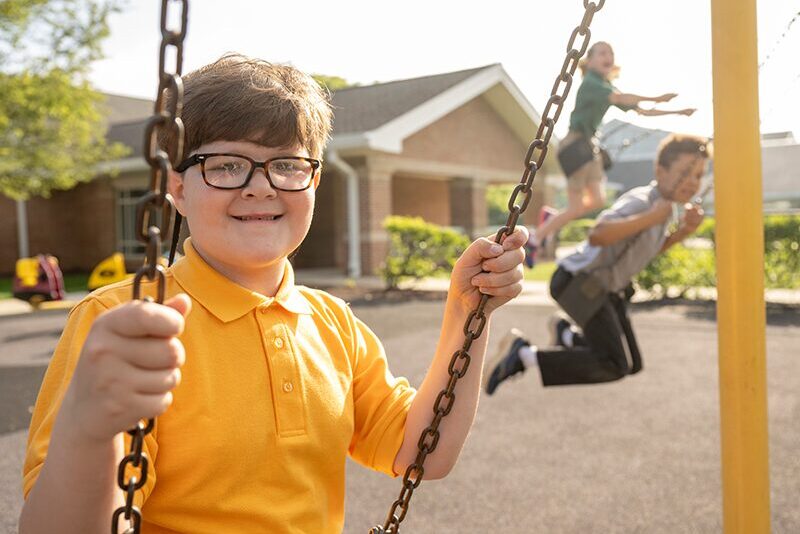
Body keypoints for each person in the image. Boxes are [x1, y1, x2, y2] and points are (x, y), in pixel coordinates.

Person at [19, 54, 527, 533]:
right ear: (176, 187)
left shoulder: (333, 323)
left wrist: (466, 313)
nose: (261, 187)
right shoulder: (121, 320)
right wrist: (90, 426)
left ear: (314, 181)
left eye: (287, 164)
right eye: (225, 165)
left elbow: (423, 454)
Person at [484, 134, 709, 393]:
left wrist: (682, 233)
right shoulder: (644, 201)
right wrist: (650, 217)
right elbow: (598, 234)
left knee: (631, 363)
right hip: (577, 283)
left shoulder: (664, 209)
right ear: (660, 170)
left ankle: (565, 334)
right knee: (613, 364)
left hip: (602, 288)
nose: (692, 182)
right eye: (685, 173)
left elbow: (644, 251)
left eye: (699, 175)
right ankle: (523, 355)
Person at [526, 41, 696, 267]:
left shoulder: (606, 86)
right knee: (577, 207)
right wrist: (656, 97)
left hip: (590, 147)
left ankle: (552, 219)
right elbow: (621, 98)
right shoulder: (591, 83)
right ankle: (535, 238)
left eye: (611, 53)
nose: (609, 57)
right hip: (575, 146)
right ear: (590, 60)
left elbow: (641, 111)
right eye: (603, 53)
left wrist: (678, 111)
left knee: (597, 199)